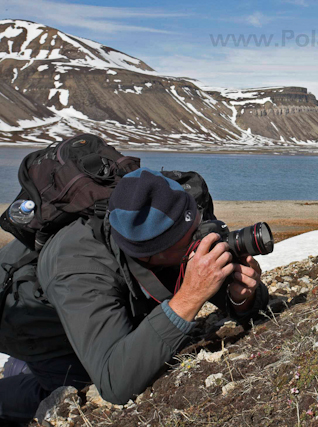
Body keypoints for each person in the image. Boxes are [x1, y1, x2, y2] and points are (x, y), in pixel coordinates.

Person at [0, 168, 269, 424]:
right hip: (30, 323)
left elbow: (236, 301)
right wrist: (189, 297)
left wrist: (240, 297)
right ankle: (16, 379)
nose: (199, 242)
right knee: (75, 389)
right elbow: (114, 384)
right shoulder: (79, 270)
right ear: (152, 254)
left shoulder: (167, 210)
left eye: (197, 227)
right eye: (189, 243)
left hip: (90, 305)